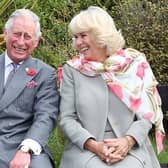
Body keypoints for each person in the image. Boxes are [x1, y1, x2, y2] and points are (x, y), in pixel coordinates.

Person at [59, 6, 165, 168]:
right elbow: (67, 118)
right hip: (86, 149)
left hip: (130, 147)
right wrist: (93, 145)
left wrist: (128, 141)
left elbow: (147, 114)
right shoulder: (71, 70)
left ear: (100, 35)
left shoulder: (134, 64)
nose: (78, 43)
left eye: (83, 36)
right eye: (75, 37)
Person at [0, 9, 59, 168]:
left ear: (37, 40)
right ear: (5, 33)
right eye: (16, 34)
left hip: (25, 143)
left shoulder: (45, 74)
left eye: (27, 37)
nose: (20, 42)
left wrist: (26, 149)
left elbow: (46, 116)